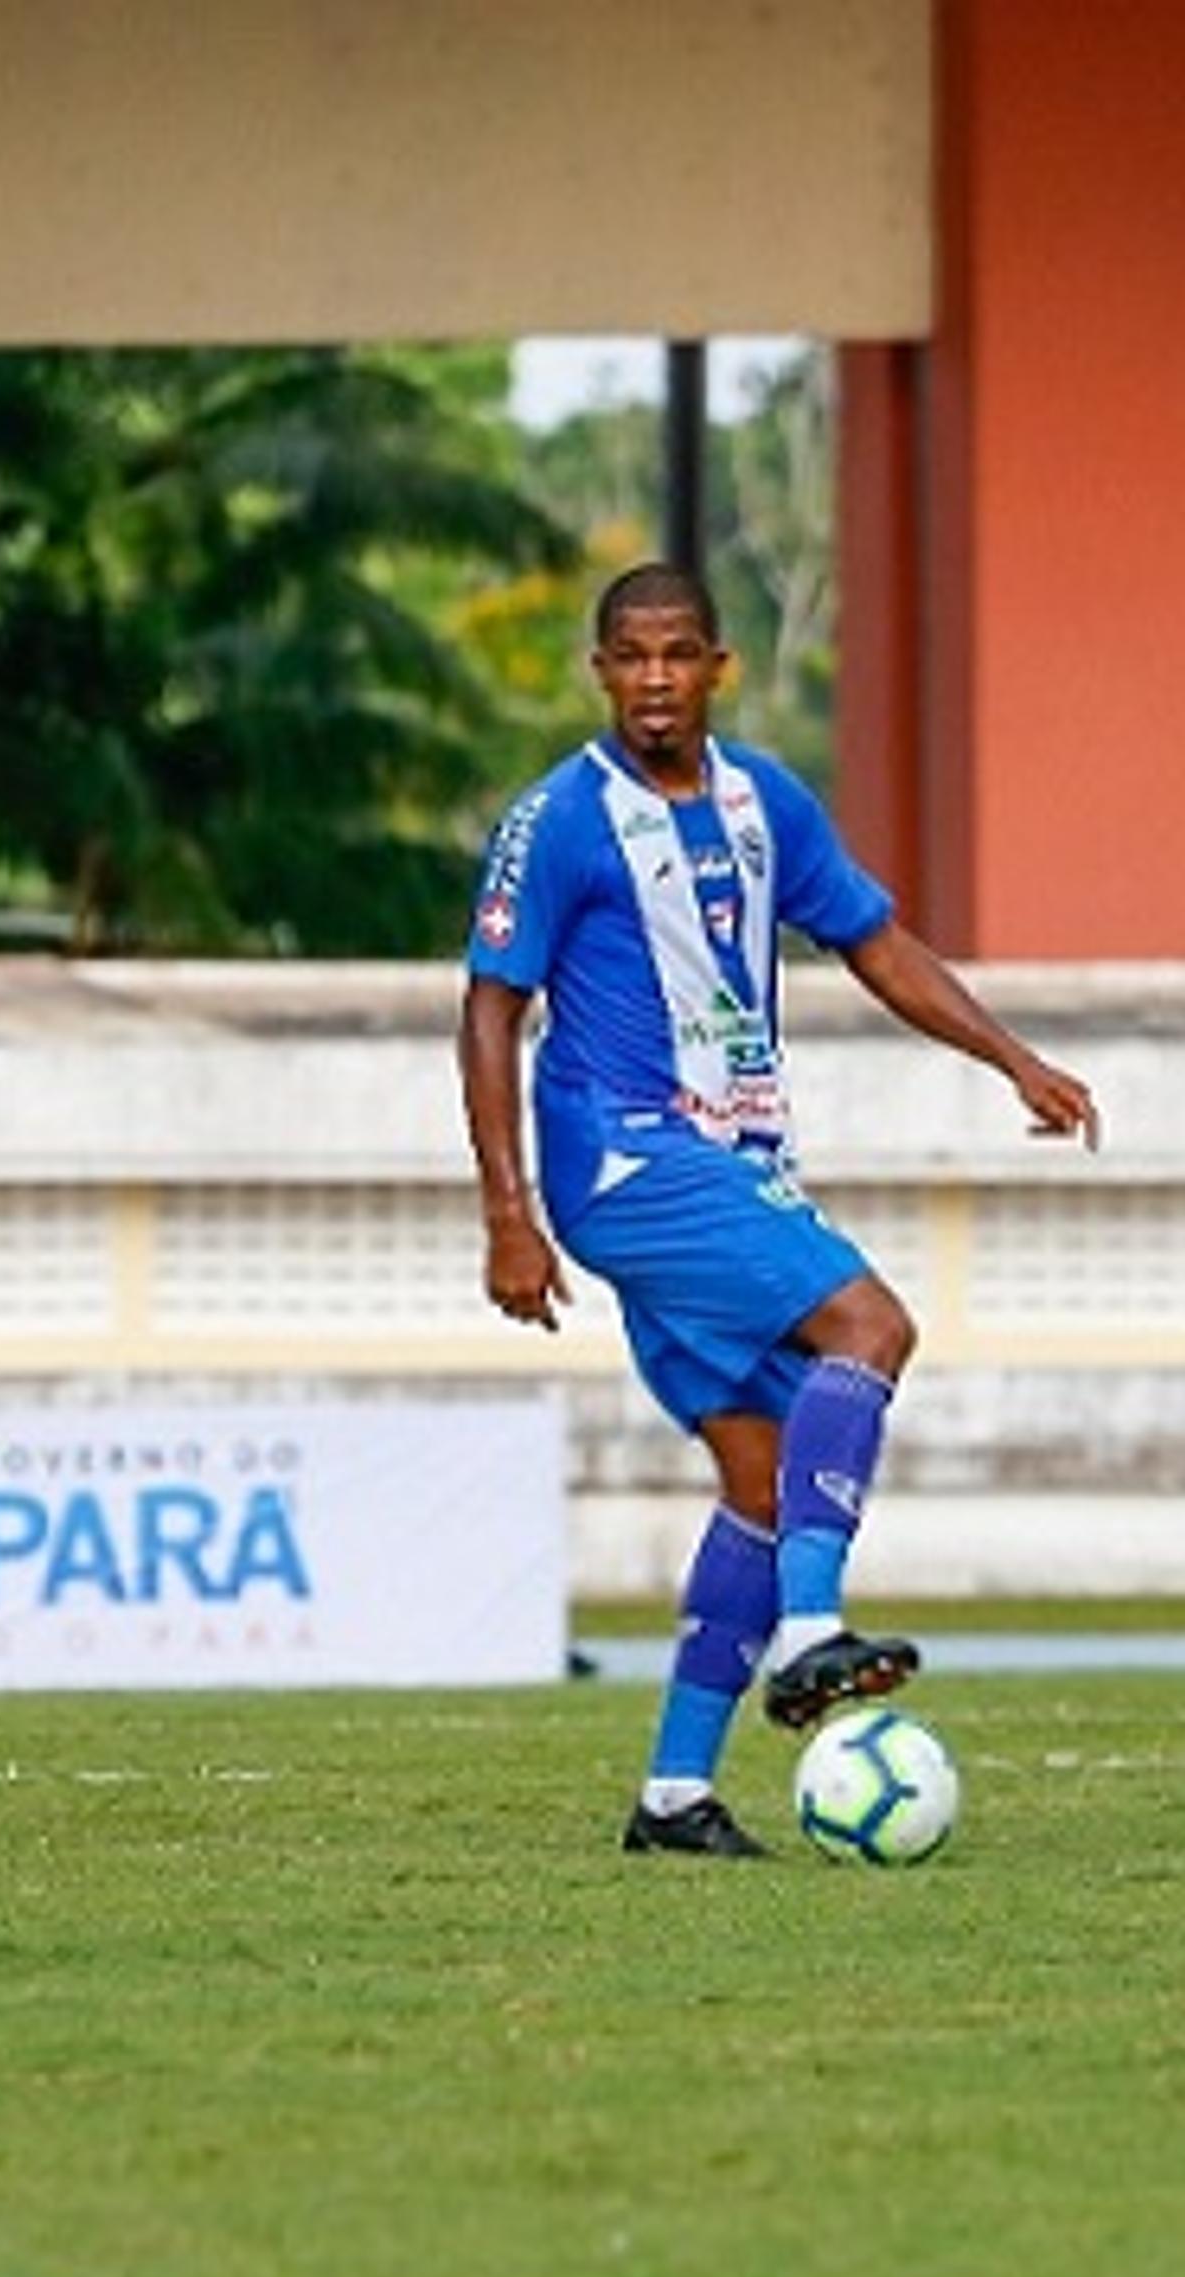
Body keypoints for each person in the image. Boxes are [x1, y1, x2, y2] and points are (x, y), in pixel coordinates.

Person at [459, 561, 1099, 1857]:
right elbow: (489, 1008)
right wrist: (507, 1213)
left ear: (716, 665)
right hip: (625, 1164)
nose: (654, 679)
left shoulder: (766, 805)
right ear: (601, 672)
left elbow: (874, 942)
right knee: (870, 1329)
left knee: (759, 1473)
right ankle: (812, 1630)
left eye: (678, 655)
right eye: (631, 657)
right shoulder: (562, 819)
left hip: (736, 1164)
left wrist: (1012, 1056)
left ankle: (675, 1795)